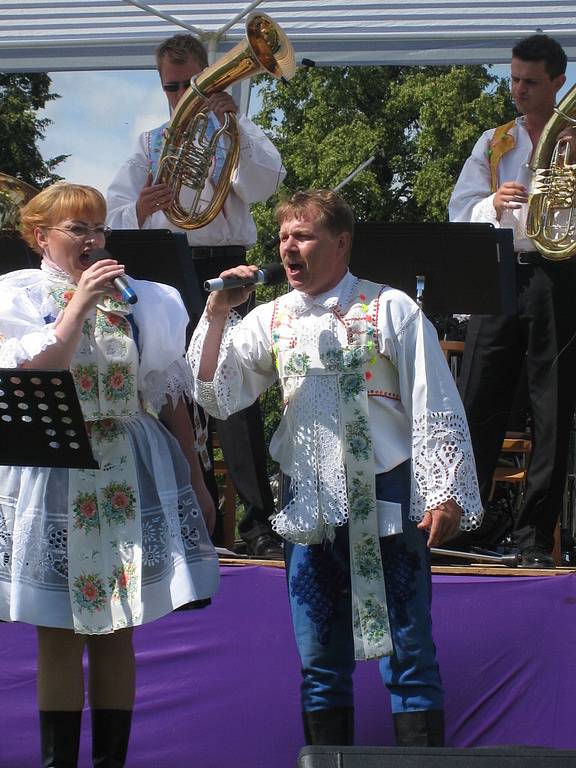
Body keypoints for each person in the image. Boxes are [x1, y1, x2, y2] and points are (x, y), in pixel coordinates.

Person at [188, 189, 482, 747]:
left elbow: (434, 397)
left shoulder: (388, 305)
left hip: (389, 493)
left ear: (342, 242)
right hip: (308, 499)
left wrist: (443, 490)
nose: (288, 248)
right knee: (319, 661)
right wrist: (219, 310)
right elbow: (215, 392)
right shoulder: (271, 317)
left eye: (303, 236)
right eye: (283, 238)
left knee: (407, 650)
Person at [0, 182, 219, 767]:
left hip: (125, 464)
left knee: (119, 625)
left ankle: (110, 763)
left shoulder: (144, 299)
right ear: (40, 236)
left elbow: (167, 397)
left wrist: (197, 483)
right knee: (60, 630)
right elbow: (39, 369)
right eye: (77, 229)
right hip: (55, 466)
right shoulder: (17, 297)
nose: (93, 239)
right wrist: (78, 304)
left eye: (98, 228)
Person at [106, 33, 285, 558]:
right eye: (171, 87)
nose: (182, 95)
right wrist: (139, 210)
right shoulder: (149, 143)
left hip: (228, 261)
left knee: (235, 392)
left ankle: (257, 523)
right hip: (167, 265)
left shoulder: (237, 132)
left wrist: (235, 128)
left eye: (191, 84)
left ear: (210, 77)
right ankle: (195, 519)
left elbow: (265, 185)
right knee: (176, 394)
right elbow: (114, 213)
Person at [449, 34, 576, 568]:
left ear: (557, 84)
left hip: (559, 275)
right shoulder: (493, 141)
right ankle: (465, 525)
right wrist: (491, 204)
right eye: (514, 79)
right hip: (500, 273)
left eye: (529, 81)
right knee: (478, 396)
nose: (518, 90)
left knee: (551, 407)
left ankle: (533, 537)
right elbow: (459, 210)